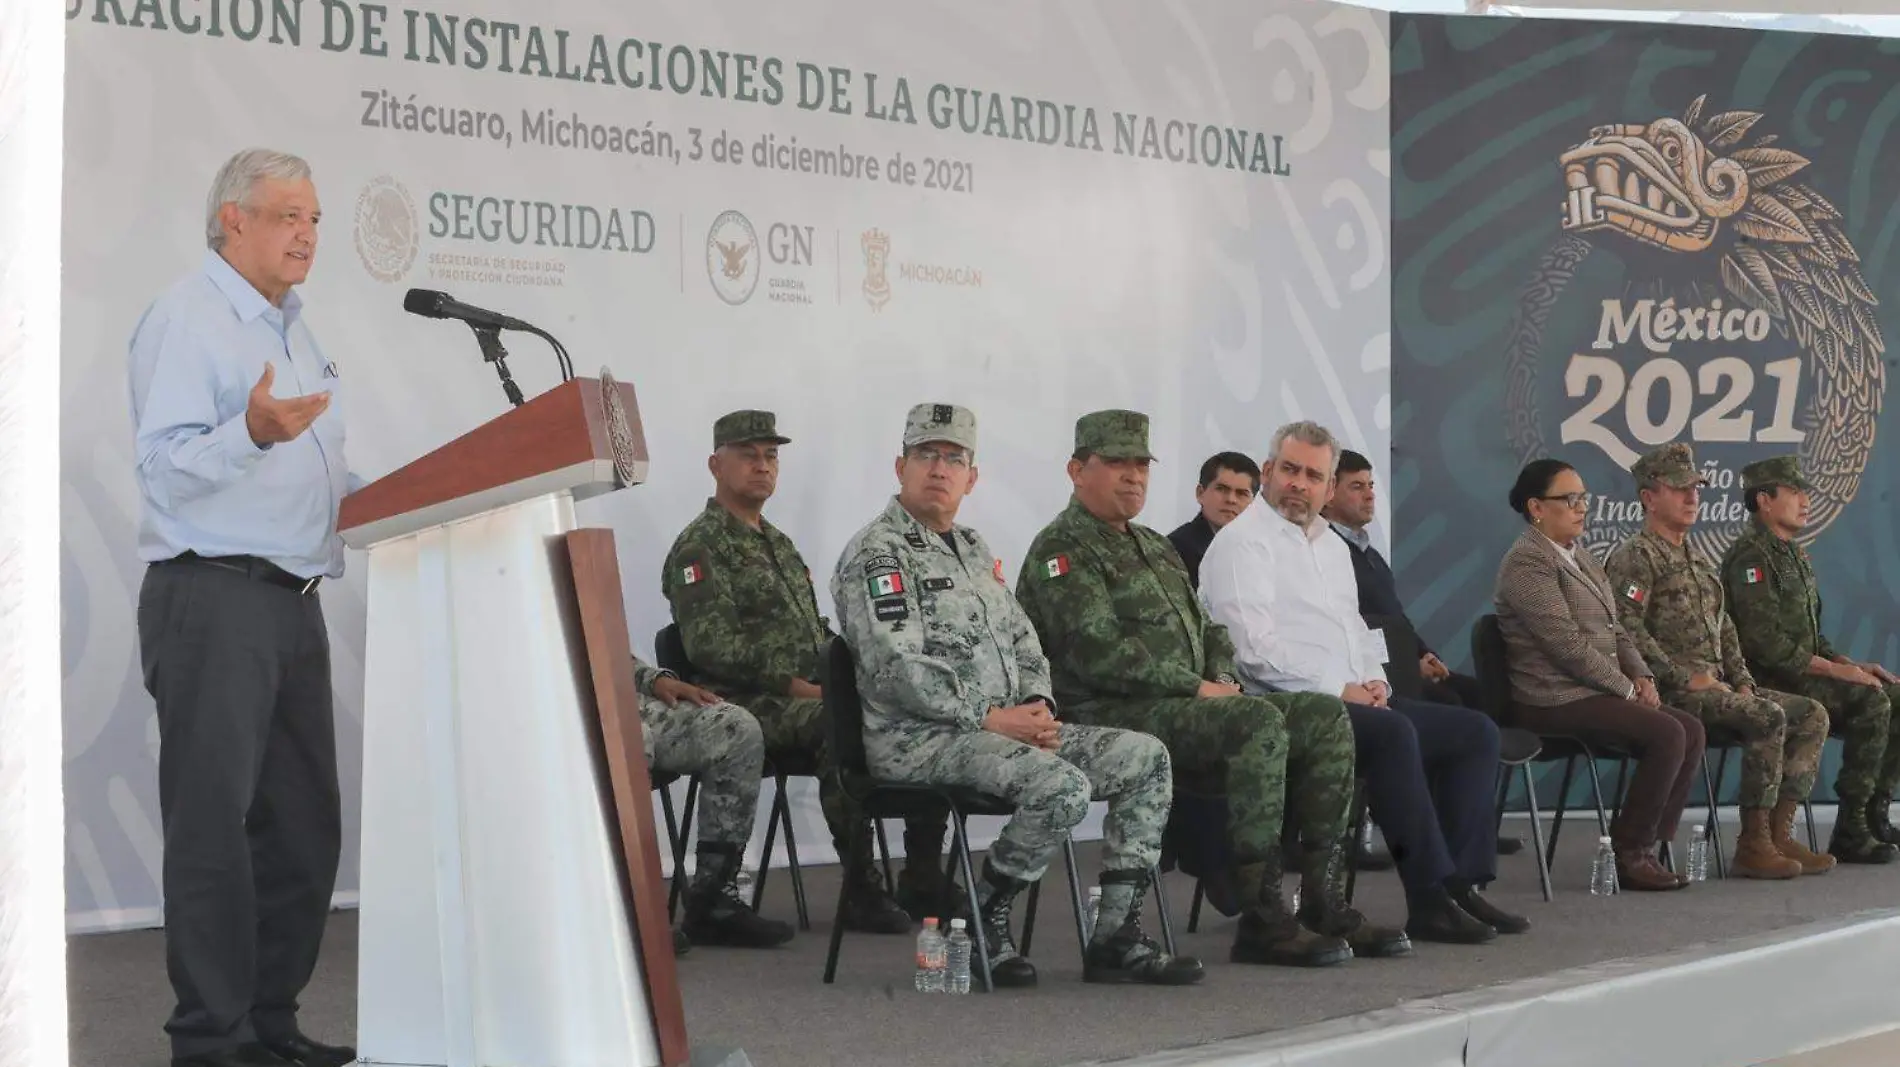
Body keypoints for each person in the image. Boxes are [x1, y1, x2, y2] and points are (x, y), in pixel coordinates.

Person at [831, 403, 1203, 988]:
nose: (940, 468)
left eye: (954, 458)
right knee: (1062, 785)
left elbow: (1025, 640)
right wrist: (990, 718)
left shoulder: (974, 549)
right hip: (922, 741)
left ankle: (1115, 936)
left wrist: (1040, 707)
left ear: (972, 478)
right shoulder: (877, 554)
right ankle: (985, 920)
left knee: (1145, 758)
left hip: (1005, 732)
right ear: (900, 466)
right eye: (927, 454)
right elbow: (894, 668)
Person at [129, 148, 359, 1067]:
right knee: (214, 830)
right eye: (288, 215)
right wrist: (249, 432)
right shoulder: (187, 319)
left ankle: (269, 1021)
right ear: (234, 219)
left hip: (293, 600)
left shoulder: (297, 330)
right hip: (213, 596)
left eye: (314, 217)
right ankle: (209, 1040)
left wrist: (415, 495)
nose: (306, 233)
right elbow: (162, 466)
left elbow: (318, 471)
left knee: (304, 827)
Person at [1016, 410, 1388, 967]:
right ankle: (1262, 917)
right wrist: (1197, 688)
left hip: (1184, 705)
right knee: (1257, 721)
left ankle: (1322, 900)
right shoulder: (1061, 550)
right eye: (1115, 463)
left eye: (1140, 464)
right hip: (1112, 712)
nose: (1133, 476)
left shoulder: (1153, 545)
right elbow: (1097, 654)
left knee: (1321, 714)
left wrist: (1221, 678)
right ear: (1076, 470)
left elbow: (1209, 626)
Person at [1201, 421, 1526, 943]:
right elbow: (1251, 651)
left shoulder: (1330, 545)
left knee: (1474, 733)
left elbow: (1354, 628)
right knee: (1394, 736)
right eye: (1289, 470)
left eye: (1313, 475)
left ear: (1329, 489)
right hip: (1280, 708)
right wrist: (1340, 688)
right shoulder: (1243, 545)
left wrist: (1375, 682)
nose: (1298, 484)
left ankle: (1459, 885)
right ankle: (1427, 896)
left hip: (1349, 696)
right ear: (1267, 472)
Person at [661, 409, 942, 933]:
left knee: (914, 708)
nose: (762, 466)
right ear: (715, 465)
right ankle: (860, 886)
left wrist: (863, 671)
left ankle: (924, 873)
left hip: (805, 692)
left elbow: (816, 632)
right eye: (748, 455)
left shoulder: (777, 542)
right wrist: (800, 687)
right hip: (739, 705)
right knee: (834, 726)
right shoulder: (700, 547)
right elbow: (708, 648)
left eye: (770, 456)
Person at [1605, 444, 1832, 878]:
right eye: (1679, 489)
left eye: (1695, 489)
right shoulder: (1637, 556)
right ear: (1649, 498)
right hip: (1671, 692)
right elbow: (1625, 629)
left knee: (1811, 714)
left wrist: (1743, 679)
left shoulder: (1697, 558)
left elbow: (1725, 627)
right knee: (1767, 716)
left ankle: (1777, 832)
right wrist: (1682, 678)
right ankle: (1753, 844)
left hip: (1721, 687)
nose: (1692, 498)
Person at [1493, 458, 1704, 891]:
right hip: (1550, 700)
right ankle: (1631, 853)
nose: (1581, 507)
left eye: (1584, 498)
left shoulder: (1582, 557)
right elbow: (1566, 646)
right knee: (1667, 734)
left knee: (1691, 729)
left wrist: (1642, 676)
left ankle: (1652, 844)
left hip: (1592, 693)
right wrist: (1626, 689)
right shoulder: (1527, 564)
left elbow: (1617, 629)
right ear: (1536, 507)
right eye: (1569, 499)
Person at [1722, 455, 1900, 863]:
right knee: (1872, 702)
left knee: (1891, 692)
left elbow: (1812, 638)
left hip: (1806, 672)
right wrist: (1841, 672)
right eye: (1795, 492)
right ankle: (1850, 827)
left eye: (1806, 492)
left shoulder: (1794, 555)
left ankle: (1875, 812)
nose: (1806, 501)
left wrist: (1852, 663)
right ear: (1764, 500)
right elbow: (1765, 645)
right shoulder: (1752, 557)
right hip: (1772, 680)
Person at [629, 654, 796, 951]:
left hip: (624, 702)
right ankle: (630, 913)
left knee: (734, 728)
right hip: (554, 713)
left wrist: (653, 679)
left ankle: (714, 898)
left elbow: (601, 649)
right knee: (626, 745)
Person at [1323, 449, 1481, 709]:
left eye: (1370, 485)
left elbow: (1395, 616)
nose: (1370, 494)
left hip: (1403, 660)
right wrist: (1409, 662)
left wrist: (1423, 653)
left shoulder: (1370, 554)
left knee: (1475, 693)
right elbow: (1359, 624)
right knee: (1452, 704)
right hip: (1376, 675)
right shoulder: (1325, 550)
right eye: (1357, 487)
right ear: (1329, 496)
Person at [1167, 451, 1259, 587]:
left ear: (1254, 503)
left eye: (1241, 494)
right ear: (1200, 493)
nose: (1231, 500)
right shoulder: (1175, 550)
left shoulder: (1259, 552)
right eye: (1221, 489)